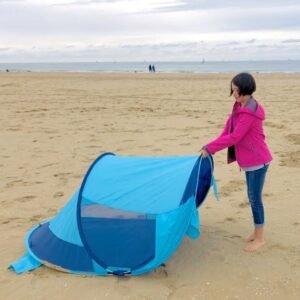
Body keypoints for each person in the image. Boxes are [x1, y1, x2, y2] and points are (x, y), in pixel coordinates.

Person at [201, 72, 272, 252]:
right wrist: (210, 147)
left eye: (237, 90)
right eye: (232, 90)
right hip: (249, 160)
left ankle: (260, 238)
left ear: (246, 90)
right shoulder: (238, 107)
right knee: (252, 197)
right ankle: (256, 233)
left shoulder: (249, 112)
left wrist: (210, 148)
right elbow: (226, 132)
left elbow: (234, 137)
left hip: (258, 161)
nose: (234, 93)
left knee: (255, 199)